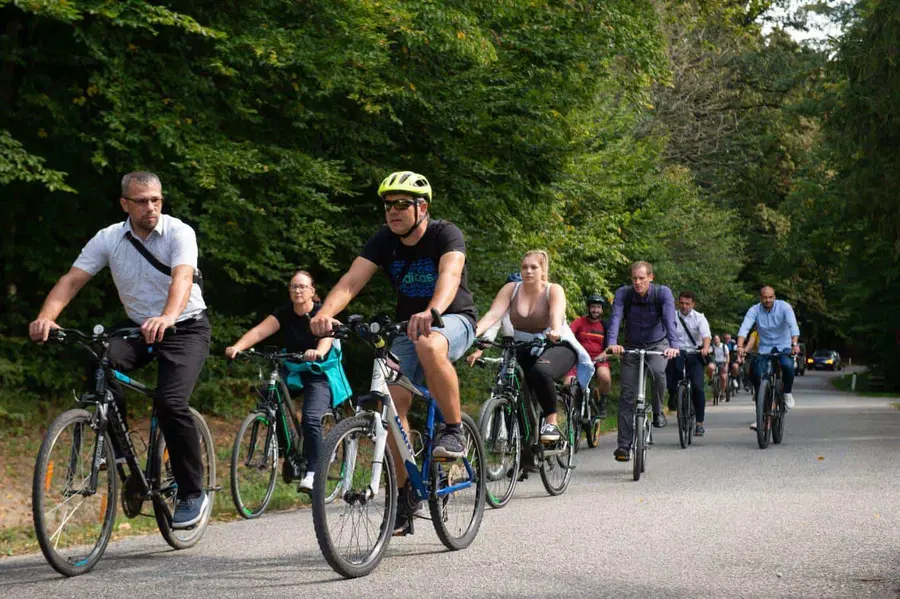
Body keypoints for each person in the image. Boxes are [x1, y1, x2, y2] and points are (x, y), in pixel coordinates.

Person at [28, 171, 211, 529]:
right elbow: (72, 280)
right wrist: (46, 318)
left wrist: (167, 316)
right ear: (125, 204)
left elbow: (182, 278)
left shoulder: (179, 232)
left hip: (185, 327)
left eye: (156, 200)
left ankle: (192, 492)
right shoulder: (109, 238)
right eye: (141, 201)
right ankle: (118, 448)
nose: (151, 207)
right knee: (99, 360)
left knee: (171, 402)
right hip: (140, 328)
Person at [309, 170, 476, 535]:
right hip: (406, 328)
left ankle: (453, 429)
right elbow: (351, 282)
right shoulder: (383, 240)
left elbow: (449, 276)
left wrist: (432, 310)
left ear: (422, 208)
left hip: (452, 319)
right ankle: (405, 496)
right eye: (388, 205)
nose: (393, 211)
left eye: (402, 204)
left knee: (430, 344)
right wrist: (325, 314)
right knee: (391, 408)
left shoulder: (445, 234)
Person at [468, 251, 593, 449]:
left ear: (543, 271)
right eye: (524, 267)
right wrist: (471, 333)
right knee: (514, 384)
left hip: (555, 343)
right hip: (524, 346)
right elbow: (493, 315)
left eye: (534, 267)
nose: (528, 271)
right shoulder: (511, 289)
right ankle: (525, 448)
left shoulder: (553, 290)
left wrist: (554, 330)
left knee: (540, 371)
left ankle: (551, 423)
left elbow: (556, 313)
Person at [225, 271, 337, 493]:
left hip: (318, 370)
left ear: (312, 291)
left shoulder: (320, 313)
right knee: (268, 397)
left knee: (311, 418)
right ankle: (290, 453)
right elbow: (260, 331)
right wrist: (238, 347)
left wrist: (318, 352)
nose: (297, 290)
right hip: (293, 368)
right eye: (293, 286)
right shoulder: (285, 312)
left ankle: (313, 471)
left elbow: (328, 337)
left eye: (302, 286)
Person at [607, 261, 679, 462]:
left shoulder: (662, 293)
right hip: (632, 345)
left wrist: (673, 345)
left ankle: (658, 411)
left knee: (658, 372)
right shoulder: (624, 294)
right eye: (634, 278)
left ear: (650, 277)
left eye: (642, 278)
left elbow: (669, 319)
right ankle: (623, 446)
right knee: (627, 395)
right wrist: (612, 343)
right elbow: (615, 318)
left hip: (657, 344)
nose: (638, 282)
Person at [737, 286, 800, 430]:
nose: (768, 300)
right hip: (765, 347)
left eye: (770, 297)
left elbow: (793, 326)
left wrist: (794, 344)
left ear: (774, 297)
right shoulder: (754, 310)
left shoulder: (784, 307)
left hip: (784, 344)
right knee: (757, 373)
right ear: (760, 298)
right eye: (765, 297)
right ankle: (761, 414)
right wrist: (740, 346)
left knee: (787, 365)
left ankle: (787, 393)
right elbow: (744, 328)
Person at [665, 291, 711, 436]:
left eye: (687, 303)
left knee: (698, 388)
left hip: (694, 354)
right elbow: (664, 333)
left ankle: (699, 424)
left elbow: (706, 335)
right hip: (676, 353)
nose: (684, 306)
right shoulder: (672, 316)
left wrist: (705, 348)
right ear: (678, 303)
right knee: (670, 380)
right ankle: (673, 395)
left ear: (693, 304)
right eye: (682, 303)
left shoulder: (699, 318)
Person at [564, 294, 612, 419]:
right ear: (588, 308)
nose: (595, 310)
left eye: (598, 307)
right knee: (568, 383)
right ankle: (571, 409)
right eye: (593, 307)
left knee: (605, 377)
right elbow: (568, 334)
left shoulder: (605, 326)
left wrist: (603, 355)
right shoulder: (579, 322)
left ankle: (601, 402)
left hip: (598, 359)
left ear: (602, 310)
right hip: (579, 358)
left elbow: (610, 347)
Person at [708, 335, 730, 401]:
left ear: (719, 339)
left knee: (723, 377)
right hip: (714, 362)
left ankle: (723, 393)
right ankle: (711, 380)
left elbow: (727, 356)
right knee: (710, 367)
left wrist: (726, 365)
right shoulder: (712, 346)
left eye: (717, 339)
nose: (716, 340)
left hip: (723, 362)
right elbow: (708, 352)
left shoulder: (724, 346)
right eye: (714, 339)